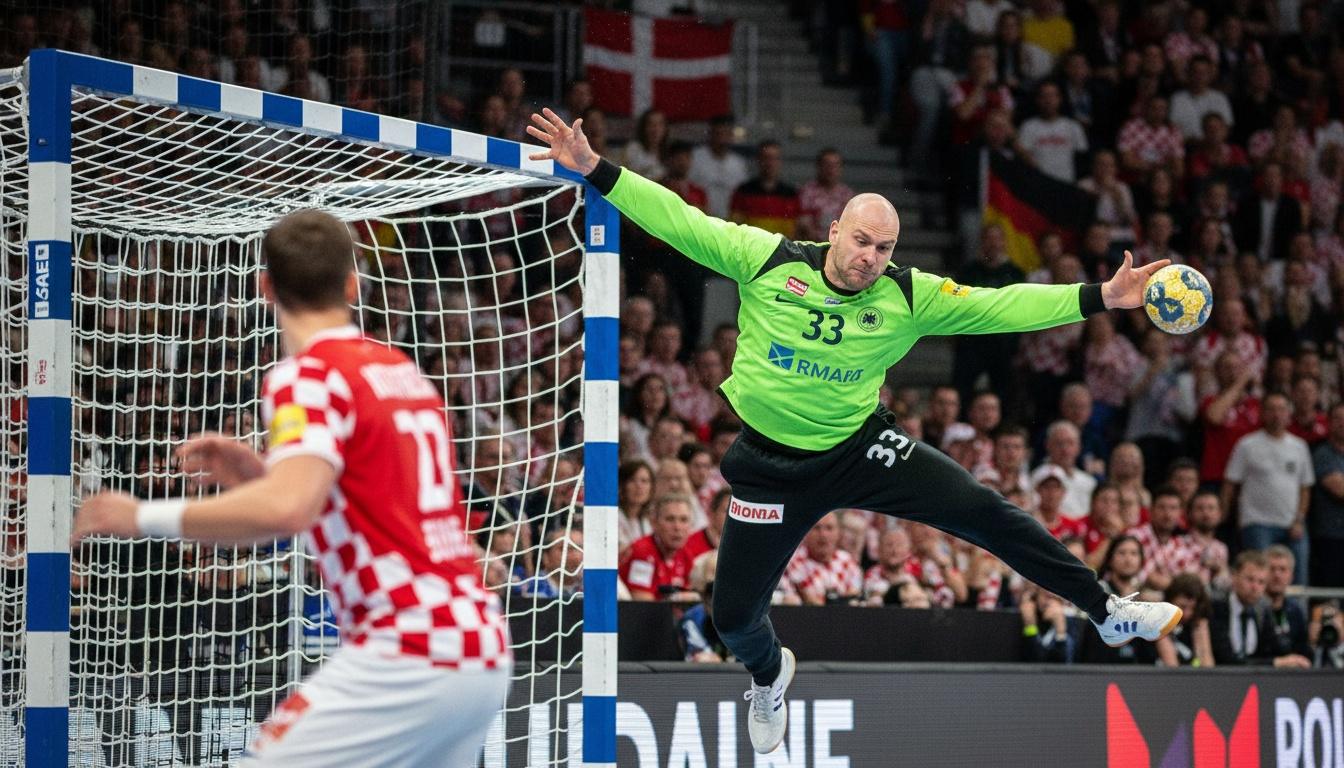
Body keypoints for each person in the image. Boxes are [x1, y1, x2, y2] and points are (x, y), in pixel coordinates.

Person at [527, 107, 1181, 754]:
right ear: (834, 229)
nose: (870, 258)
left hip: (859, 449)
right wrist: (596, 168)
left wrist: (1103, 296)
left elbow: (1001, 305)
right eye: (861, 241)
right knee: (733, 618)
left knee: (985, 510)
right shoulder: (766, 259)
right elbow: (679, 219)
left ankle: (1106, 610)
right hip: (771, 467)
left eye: (884, 248)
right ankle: (769, 675)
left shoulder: (907, 295)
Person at [71, 210, 510, 766]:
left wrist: (140, 516)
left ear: (265, 287)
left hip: (408, 649)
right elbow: (359, 500)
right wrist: (260, 473)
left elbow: (287, 509)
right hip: (479, 642)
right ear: (352, 284)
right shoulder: (402, 372)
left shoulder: (308, 375)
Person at [1222, 392, 1314, 584]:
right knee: (1258, 578)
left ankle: (1297, 606)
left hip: (1292, 523)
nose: (1276, 414)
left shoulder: (1299, 446)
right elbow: (1230, 483)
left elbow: (1305, 487)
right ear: (1262, 413)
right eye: (1271, 409)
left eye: (1281, 409)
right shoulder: (1247, 444)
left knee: (1298, 580)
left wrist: (1299, 519)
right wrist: (1225, 515)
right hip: (1256, 522)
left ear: (1289, 413)